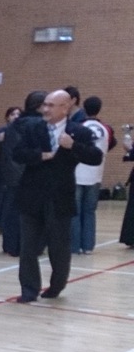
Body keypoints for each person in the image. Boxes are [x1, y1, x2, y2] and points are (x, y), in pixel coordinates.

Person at [10, 89, 103, 302]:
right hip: (31, 194)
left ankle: (56, 286)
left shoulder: (79, 131)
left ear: (65, 107)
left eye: (51, 105)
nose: (45, 109)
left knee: (59, 247)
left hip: (60, 196)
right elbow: (17, 153)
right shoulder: (32, 128)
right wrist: (40, 155)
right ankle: (29, 289)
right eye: (45, 104)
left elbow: (95, 157)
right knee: (28, 247)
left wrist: (73, 145)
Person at [71, 96, 111, 254]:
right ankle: (88, 246)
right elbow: (111, 144)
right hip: (96, 174)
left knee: (75, 211)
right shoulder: (106, 129)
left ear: (84, 108)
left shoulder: (78, 127)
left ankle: (74, 246)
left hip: (77, 173)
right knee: (89, 211)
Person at [0, 106, 23, 254]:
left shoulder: (23, 130)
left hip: (18, 173)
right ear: (7, 117)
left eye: (18, 114)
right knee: (3, 200)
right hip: (4, 172)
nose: (16, 116)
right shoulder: (3, 130)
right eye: (12, 114)